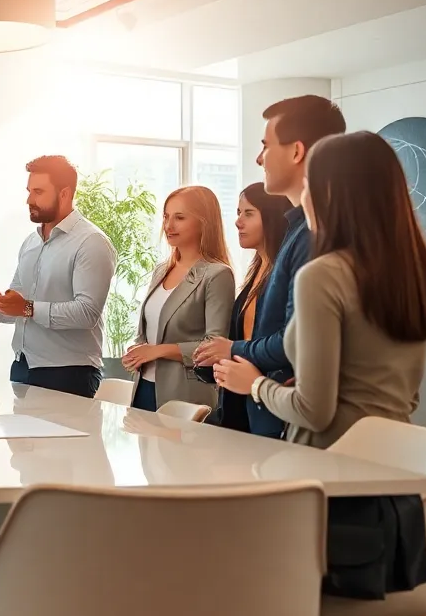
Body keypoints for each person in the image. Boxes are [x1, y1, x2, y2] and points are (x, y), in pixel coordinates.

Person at [214, 130, 426, 616]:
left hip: (331, 501)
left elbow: (317, 412)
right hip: (391, 501)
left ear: (329, 192)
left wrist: (256, 385)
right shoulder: (413, 273)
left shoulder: (325, 274)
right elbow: (397, 393)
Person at [194, 95, 346, 438]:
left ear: (296, 151)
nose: (259, 158)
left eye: (266, 145)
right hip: (267, 413)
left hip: (289, 416)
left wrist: (235, 351)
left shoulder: (313, 236)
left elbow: (295, 343)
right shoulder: (299, 232)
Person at [0, 155, 116, 398]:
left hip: (69, 374)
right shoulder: (31, 242)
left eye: (38, 191)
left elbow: (87, 313)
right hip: (23, 367)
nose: (29, 199)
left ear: (64, 194)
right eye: (29, 191)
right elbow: (18, 308)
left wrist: (26, 308)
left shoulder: (91, 243)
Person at [121, 186, 234, 412]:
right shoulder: (161, 270)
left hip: (184, 396)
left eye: (179, 217)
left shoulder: (217, 275)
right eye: (166, 216)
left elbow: (214, 346)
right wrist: (138, 350)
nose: (168, 226)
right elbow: (150, 330)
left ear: (204, 222)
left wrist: (157, 350)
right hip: (143, 387)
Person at [197, 182, 291, 432]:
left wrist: (232, 349)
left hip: (271, 403)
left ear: (272, 217)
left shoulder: (282, 272)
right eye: (238, 213)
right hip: (240, 401)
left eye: (248, 213)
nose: (238, 222)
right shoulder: (257, 269)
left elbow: (285, 342)